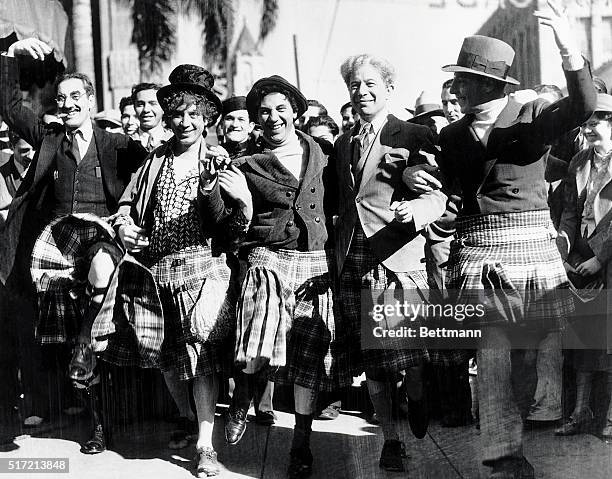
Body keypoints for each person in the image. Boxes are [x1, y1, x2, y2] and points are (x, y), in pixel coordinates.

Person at [404, 2, 596, 477]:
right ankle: (504, 452)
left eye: (464, 79)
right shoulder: (451, 134)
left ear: (488, 84)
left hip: (530, 250)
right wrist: (417, 176)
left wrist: (568, 48)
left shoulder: (530, 114)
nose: (456, 87)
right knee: (491, 353)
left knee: (525, 359)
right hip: (478, 252)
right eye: (456, 79)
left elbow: (584, 106)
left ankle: (519, 424)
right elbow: (447, 186)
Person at [0, 36, 148, 454]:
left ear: (90, 100)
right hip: (58, 251)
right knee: (57, 334)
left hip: (105, 243)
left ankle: (90, 360)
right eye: (61, 98)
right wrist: (10, 55)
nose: (67, 105)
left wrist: (128, 224)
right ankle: (89, 413)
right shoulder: (48, 139)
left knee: (98, 309)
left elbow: (157, 172)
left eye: (75, 97)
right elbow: (10, 107)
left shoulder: (118, 146)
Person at [200, 74, 341, 479]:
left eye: (281, 109)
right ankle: (243, 390)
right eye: (265, 112)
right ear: (256, 120)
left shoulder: (325, 154)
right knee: (259, 333)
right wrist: (229, 194)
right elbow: (221, 221)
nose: (274, 117)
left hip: (315, 259)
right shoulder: (244, 162)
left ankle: (301, 442)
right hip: (267, 255)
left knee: (309, 358)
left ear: (296, 112)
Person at [111, 63, 240, 477]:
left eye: (193, 115)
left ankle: (206, 444)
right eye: (178, 115)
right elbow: (127, 206)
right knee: (167, 359)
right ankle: (187, 418)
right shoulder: (154, 160)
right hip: (158, 271)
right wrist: (126, 225)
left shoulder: (217, 160)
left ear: (207, 119)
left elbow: (233, 219)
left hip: (205, 268)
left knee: (201, 355)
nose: (184, 122)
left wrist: (216, 189)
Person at [335, 53, 445, 473]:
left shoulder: (414, 133)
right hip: (355, 260)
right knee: (375, 362)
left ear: (388, 89)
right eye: (354, 86)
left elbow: (438, 194)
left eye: (369, 84)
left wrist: (417, 210)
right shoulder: (344, 142)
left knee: (410, 356)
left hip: (398, 259)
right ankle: (391, 440)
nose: (361, 92)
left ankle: (417, 394)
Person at [554, 93, 612, 440]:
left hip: (607, 260)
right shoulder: (579, 161)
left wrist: (600, 258)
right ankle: (579, 413)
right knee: (581, 341)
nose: (588, 129)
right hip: (579, 259)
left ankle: (609, 419)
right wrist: (564, 249)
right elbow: (570, 211)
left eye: (596, 122)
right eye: (586, 123)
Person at [0, 131, 34, 223]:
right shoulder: (1, 176)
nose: (31, 156)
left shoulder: (46, 170)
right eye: (24, 150)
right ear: (12, 146)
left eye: (34, 149)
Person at [132, 82, 172, 151]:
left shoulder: (175, 141)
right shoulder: (126, 142)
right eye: (140, 104)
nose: (146, 109)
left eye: (152, 103)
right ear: (134, 108)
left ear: (164, 107)